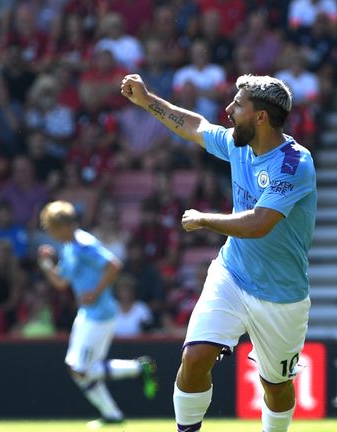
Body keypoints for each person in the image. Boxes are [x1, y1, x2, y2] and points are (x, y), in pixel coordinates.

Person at [120, 71, 317, 432]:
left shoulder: (295, 164)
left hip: (281, 295)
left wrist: (204, 220)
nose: (228, 109)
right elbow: (195, 126)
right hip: (232, 273)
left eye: (238, 104)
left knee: (276, 385)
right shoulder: (238, 144)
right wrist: (148, 100)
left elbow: (260, 223)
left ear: (260, 116)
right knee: (195, 357)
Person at [37, 201, 157, 428]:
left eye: (50, 227)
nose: (49, 233)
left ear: (62, 226)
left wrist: (95, 291)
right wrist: (46, 265)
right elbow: (62, 282)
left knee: (81, 370)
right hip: (86, 314)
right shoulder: (69, 247)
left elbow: (113, 265)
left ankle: (138, 368)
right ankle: (112, 415)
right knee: (77, 369)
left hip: (100, 315)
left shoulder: (84, 244)